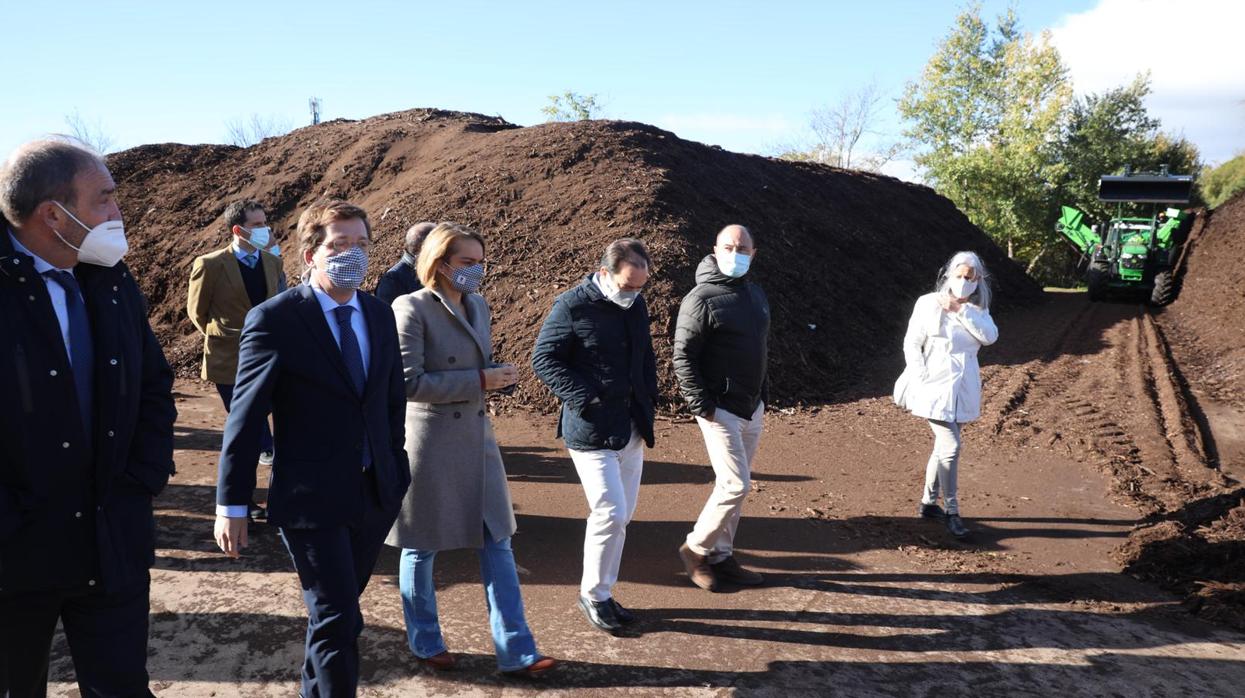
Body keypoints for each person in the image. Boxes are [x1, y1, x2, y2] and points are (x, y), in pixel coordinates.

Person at [0, 138, 177, 697]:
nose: (118, 214)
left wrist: (142, 479)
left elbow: (153, 385)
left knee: (123, 687)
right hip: (14, 555)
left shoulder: (111, 278)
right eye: (105, 199)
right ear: (53, 214)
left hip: (110, 538)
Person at [214, 199, 411, 696]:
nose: (354, 254)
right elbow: (246, 415)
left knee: (334, 619)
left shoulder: (378, 313)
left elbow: (390, 401)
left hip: (373, 493)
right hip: (311, 498)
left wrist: (396, 467)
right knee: (339, 617)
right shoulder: (276, 319)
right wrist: (232, 503)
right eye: (340, 245)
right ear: (309, 256)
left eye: (362, 244)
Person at [386, 223, 557, 677]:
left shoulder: (479, 305)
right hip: (430, 443)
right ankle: (425, 641)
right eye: (467, 262)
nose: (476, 271)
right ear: (439, 263)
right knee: (421, 548)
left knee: (498, 541)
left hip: (477, 441)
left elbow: (471, 365)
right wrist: (480, 380)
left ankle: (517, 651)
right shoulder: (410, 307)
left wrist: (495, 374)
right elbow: (406, 383)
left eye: (481, 262)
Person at [531, 238, 657, 633]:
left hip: (631, 427)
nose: (633, 294)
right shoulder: (572, 305)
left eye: (640, 287)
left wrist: (648, 398)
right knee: (610, 513)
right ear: (604, 273)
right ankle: (594, 595)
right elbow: (544, 359)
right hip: (590, 429)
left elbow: (646, 355)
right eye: (626, 286)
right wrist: (587, 399)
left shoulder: (636, 304)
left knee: (623, 517)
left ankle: (604, 590)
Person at [673, 224, 770, 592]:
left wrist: (763, 394)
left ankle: (722, 556)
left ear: (753, 253)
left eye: (742, 248)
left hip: (752, 405)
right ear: (714, 249)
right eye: (729, 246)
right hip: (720, 409)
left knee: (737, 487)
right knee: (735, 484)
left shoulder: (756, 294)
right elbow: (683, 356)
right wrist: (704, 406)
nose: (736, 253)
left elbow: (761, 348)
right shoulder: (700, 298)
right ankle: (694, 549)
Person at [187, 199, 286, 521]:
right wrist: (226, 335)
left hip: (272, 359)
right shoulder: (211, 264)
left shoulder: (272, 262)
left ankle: (281, 497)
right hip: (229, 360)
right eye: (257, 225)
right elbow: (197, 312)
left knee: (282, 427)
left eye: (264, 223)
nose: (264, 230)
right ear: (238, 230)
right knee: (245, 431)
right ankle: (242, 502)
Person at [893, 251, 998, 539]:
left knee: (943, 448)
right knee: (951, 446)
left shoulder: (977, 311)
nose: (963, 281)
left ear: (977, 280)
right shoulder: (927, 303)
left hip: (963, 386)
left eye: (969, 277)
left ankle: (928, 503)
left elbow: (990, 337)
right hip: (933, 384)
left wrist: (960, 310)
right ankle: (951, 511)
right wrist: (921, 376)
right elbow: (912, 342)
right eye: (959, 275)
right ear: (949, 275)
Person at [375, 221, 434, 305]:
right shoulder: (393, 280)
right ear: (421, 247)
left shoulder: (441, 267)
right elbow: (387, 315)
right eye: (439, 243)